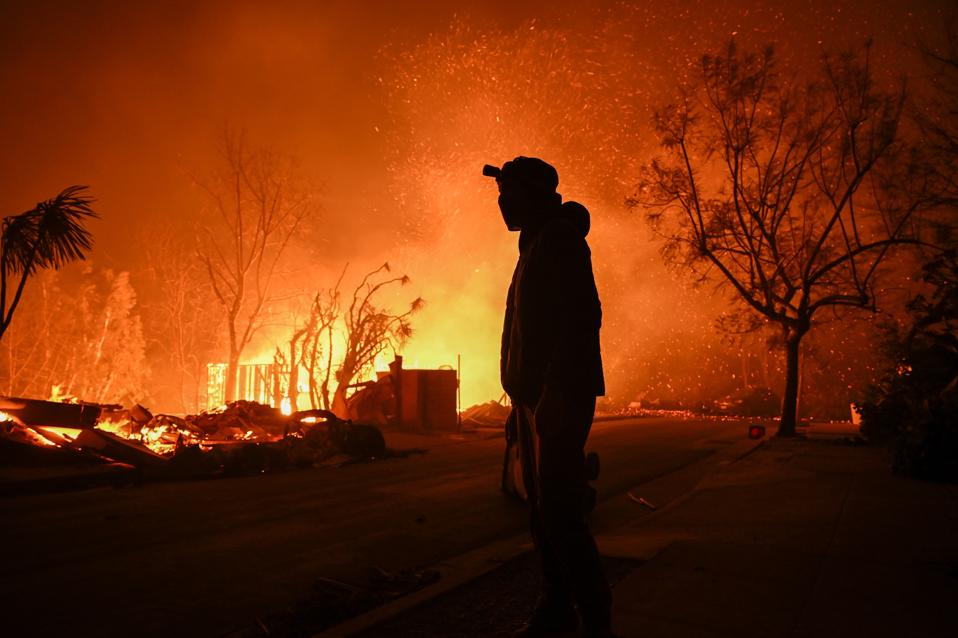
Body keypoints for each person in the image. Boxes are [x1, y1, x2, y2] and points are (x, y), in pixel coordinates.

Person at [489, 157, 613, 638]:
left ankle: (595, 622)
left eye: (509, 193)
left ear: (534, 194)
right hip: (534, 398)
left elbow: (582, 317)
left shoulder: (558, 240)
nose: (501, 203)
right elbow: (526, 333)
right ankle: (557, 609)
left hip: (556, 397)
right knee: (544, 513)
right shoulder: (535, 244)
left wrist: (557, 390)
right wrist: (517, 402)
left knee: (560, 514)